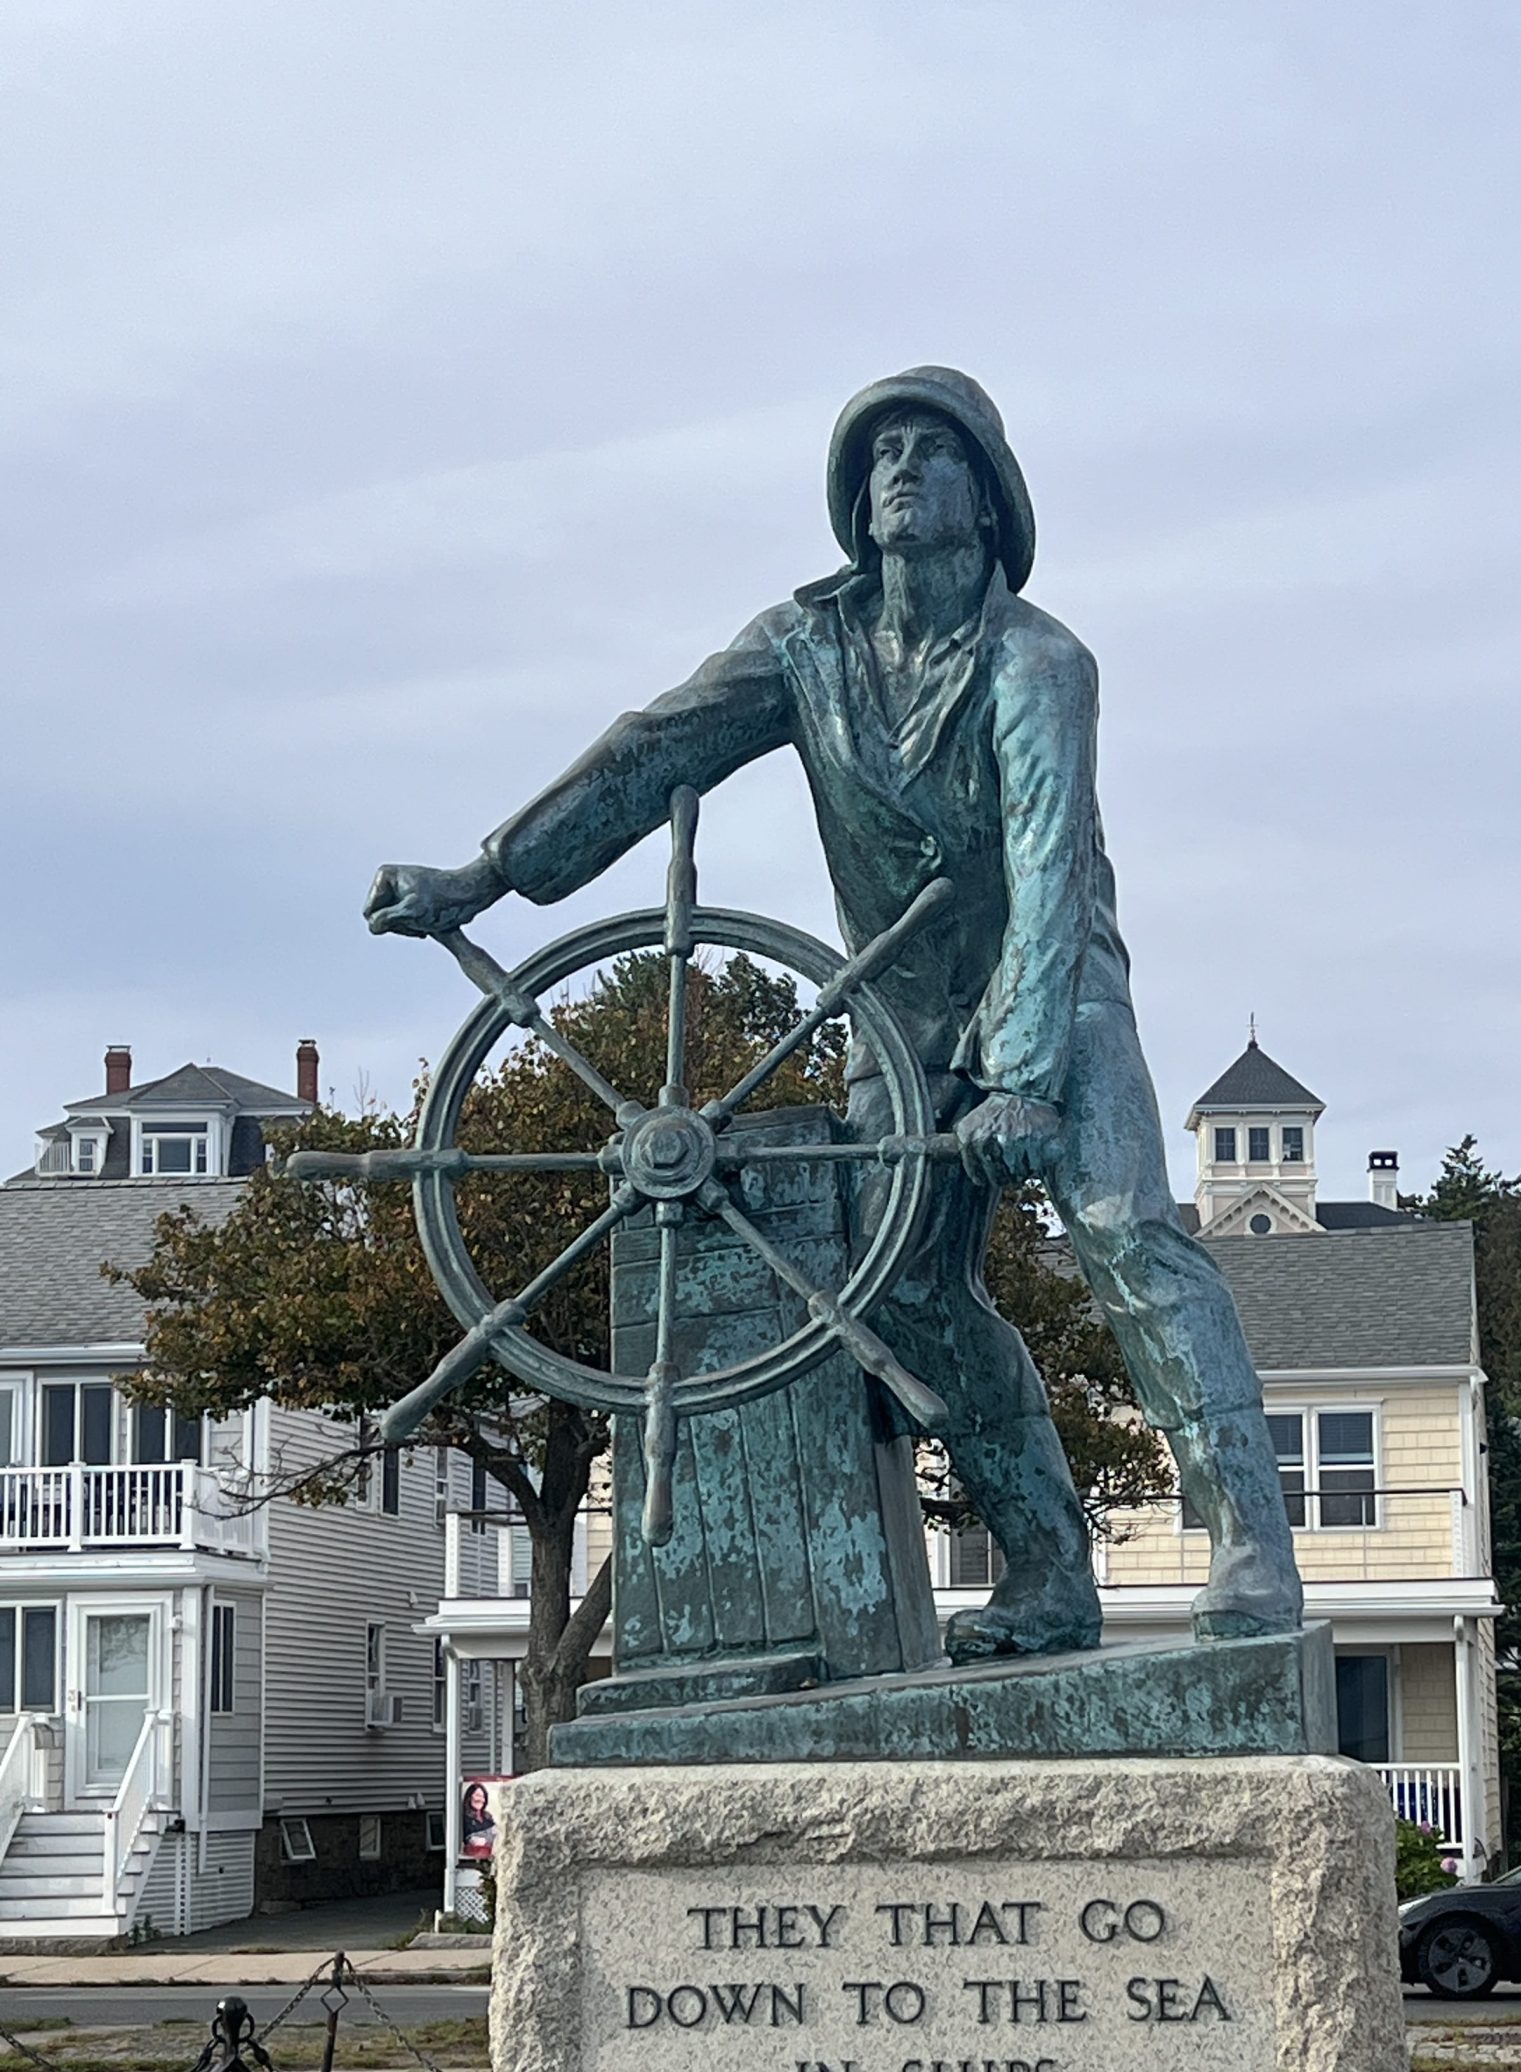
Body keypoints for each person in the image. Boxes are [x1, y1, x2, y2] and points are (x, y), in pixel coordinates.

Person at [365, 369, 1303, 1661]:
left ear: (990, 498)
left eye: (932, 450)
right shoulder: (804, 647)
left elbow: (1047, 867)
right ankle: (1047, 1573)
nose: (900, 470)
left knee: (1126, 1235)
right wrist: (489, 876)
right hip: (897, 1013)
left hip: (1055, 992)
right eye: (881, 455)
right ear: (856, 506)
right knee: (899, 1290)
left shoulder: (1039, 663)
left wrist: (1026, 1076)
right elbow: (654, 749)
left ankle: (1251, 1544)